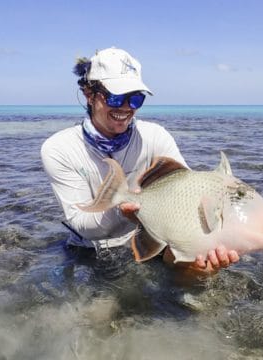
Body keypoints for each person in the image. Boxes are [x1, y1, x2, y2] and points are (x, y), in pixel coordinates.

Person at [41, 47, 239, 275]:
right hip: (90, 250)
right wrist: (121, 211)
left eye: (135, 98)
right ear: (89, 94)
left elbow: (186, 192)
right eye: (115, 97)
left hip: (151, 236)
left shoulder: (155, 136)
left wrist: (216, 233)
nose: (126, 107)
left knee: (202, 270)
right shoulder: (58, 148)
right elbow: (81, 224)